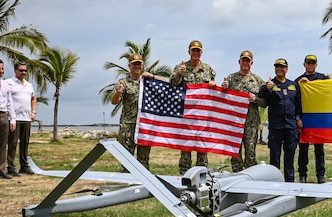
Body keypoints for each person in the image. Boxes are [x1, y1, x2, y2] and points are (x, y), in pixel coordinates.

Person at [111, 53, 165, 171]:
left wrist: (152, 76)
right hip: (128, 126)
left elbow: (164, 83)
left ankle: (143, 184)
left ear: (142, 65)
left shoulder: (148, 81)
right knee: (126, 158)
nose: (137, 66)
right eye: (134, 64)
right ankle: (126, 183)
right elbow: (114, 102)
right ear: (129, 65)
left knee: (143, 159)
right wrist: (118, 92)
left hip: (144, 126)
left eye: (139, 64)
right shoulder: (124, 82)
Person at [170, 40, 217, 175]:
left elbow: (212, 89)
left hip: (203, 115)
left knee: (202, 146)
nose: (196, 53)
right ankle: (184, 173)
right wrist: (179, 74)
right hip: (187, 113)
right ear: (189, 51)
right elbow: (172, 84)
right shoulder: (181, 67)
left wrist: (214, 84)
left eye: (198, 50)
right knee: (186, 145)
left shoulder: (208, 69)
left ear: (201, 52)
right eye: (193, 50)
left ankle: (202, 173)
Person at [222, 50, 267, 172]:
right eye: (243, 60)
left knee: (250, 152)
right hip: (234, 121)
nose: (245, 63)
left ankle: (250, 178)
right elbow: (222, 98)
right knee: (235, 152)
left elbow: (266, 102)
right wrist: (224, 88)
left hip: (251, 123)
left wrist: (256, 99)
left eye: (248, 61)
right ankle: (236, 176)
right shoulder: (231, 78)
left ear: (252, 63)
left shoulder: (258, 80)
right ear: (239, 61)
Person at [259, 58, 302, 182]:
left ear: (286, 70)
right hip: (275, 127)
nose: (279, 69)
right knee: (275, 157)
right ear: (274, 69)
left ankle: (290, 182)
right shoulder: (270, 84)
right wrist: (268, 88)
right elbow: (262, 96)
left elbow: (298, 104)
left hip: (290, 127)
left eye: (282, 67)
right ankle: (275, 182)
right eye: (277, 67)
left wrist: (298, 119)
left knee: (290, 156)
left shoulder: (293, 85)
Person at [295, 54, 330, 184]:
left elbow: (330, 92)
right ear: (304, 64)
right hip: (304, 119)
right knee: (303, 149)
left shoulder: (323, 78)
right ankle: (302, 175)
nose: (310, 65)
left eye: (313, 63)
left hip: (319, 119)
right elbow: (296, 102)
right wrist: (297, 118)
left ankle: (321, 175)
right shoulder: (298, 81)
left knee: (319, 149)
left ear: (316, 64)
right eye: (308, 63)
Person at [6, 62, 37, 176]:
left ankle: (24, 166)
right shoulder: (8, 83)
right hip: (14, 118)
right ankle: (10, 166)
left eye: (25, 70)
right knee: (12, 143)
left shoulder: (29, 85)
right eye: (21, 70)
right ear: (15, 70)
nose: (23, 72)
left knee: (25, 143)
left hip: (26, 118)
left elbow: (33, 98)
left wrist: (33, 111)